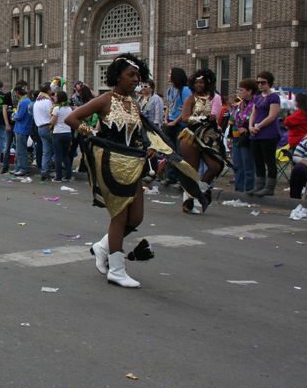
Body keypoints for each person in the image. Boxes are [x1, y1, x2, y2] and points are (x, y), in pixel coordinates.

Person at [66, 53, 204, 288]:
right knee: (119, 216)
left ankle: (102, 247)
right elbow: (72, 119)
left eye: (137, 76)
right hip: (112, 164)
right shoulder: (105, 100)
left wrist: (148, 149)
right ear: (117, 76)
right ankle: (117, 270)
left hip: (134, 165)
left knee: (136, 217)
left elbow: (141, 134)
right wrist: (97, 135)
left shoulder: (135, 104)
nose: (135, 80)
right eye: (130, 75)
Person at [177, 69, 227, 212]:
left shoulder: (212, 98)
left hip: (207, 137)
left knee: (216, 165)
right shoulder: (191, 99)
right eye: (196, 82)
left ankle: (203, 190)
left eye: (202, 82)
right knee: (192, 170)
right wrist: (200, 118)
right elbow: (185, 117)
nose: (199, 85)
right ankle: (188, 200)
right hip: (192, 136)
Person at [247, 71, 281, 197]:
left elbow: (272, 116)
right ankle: (259, 185)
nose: (260, 85)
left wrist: (258, 126)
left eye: (263, 82)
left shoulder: (274, 97)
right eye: (258, 82)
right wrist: (251, 126)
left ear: (269, 83)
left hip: (269, 133)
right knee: (258, 160)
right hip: (256, 134)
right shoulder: (258, 97)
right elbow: (253, 113)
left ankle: (270, 187)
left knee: (269, 160)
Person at [227, 79, 259, 193]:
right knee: (237, 167)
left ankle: (249, 190)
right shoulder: (238, 105)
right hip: (236, 139)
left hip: (247, 139)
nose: (239, 92)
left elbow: (258, 121)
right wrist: (229, 137)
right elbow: (232, 123)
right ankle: (238, 191)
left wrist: (247, 129)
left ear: (250, 91)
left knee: (248, 167)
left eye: (242, 90)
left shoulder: (256, 104)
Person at [162, 68, 191, 187]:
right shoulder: (170, 90)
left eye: (170, 73)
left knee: (180, 151)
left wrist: (176, 121)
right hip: (170, 122)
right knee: (170, 150)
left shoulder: (185, 90)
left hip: (180, 124)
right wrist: (166, 118)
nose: (168, 75)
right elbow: (169, 106)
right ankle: (171, 176)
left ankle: (181, 178)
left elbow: (185, 108)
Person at [50, 90, 73, 182]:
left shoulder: (56, 109)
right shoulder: (69, 109)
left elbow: (53, 122)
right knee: (65, 155)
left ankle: (58, 176)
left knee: (58, 156)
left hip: (58, 133)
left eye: (56, 96)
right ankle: (68, 175)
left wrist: (50, 118)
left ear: (58, 98)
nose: (55, 98)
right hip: (67, 133)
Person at [33, 83, 54, 179]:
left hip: (40, 127)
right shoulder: (47, 101)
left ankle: (44, 170)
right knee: (56, 149)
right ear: (48, 91)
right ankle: (55, 167)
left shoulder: (37, 101)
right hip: (48, 127)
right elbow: (52, 114)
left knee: (46, 150)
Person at [11, 86, 33, 176]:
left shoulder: (23, 102)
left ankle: (23, 168)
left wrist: (13, 115)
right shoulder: (28, 100)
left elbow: (19, 116)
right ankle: (18, 167)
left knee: (21, 150)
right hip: (26, 127)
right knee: (19, 149)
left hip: (22, 128)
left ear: (17, 92)